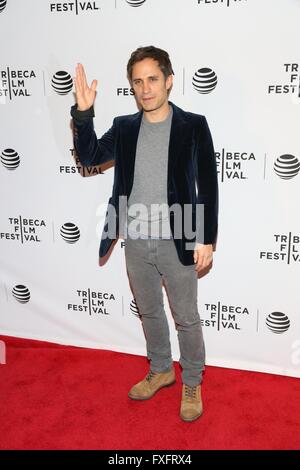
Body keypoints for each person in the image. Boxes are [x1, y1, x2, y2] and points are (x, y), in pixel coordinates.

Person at [70, 46, 218, 422]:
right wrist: (83, 115)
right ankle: (162, 369)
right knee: (150, 311)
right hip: (134, 239)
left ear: (169, 81)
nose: (146, 88)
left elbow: (208, 184)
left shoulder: (193, 124)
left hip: (179, 236)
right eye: (138, 81)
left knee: (185, 316)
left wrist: (207, 237)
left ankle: (193, 381)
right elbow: (89, 158)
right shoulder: (124, 127)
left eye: (153, 79)